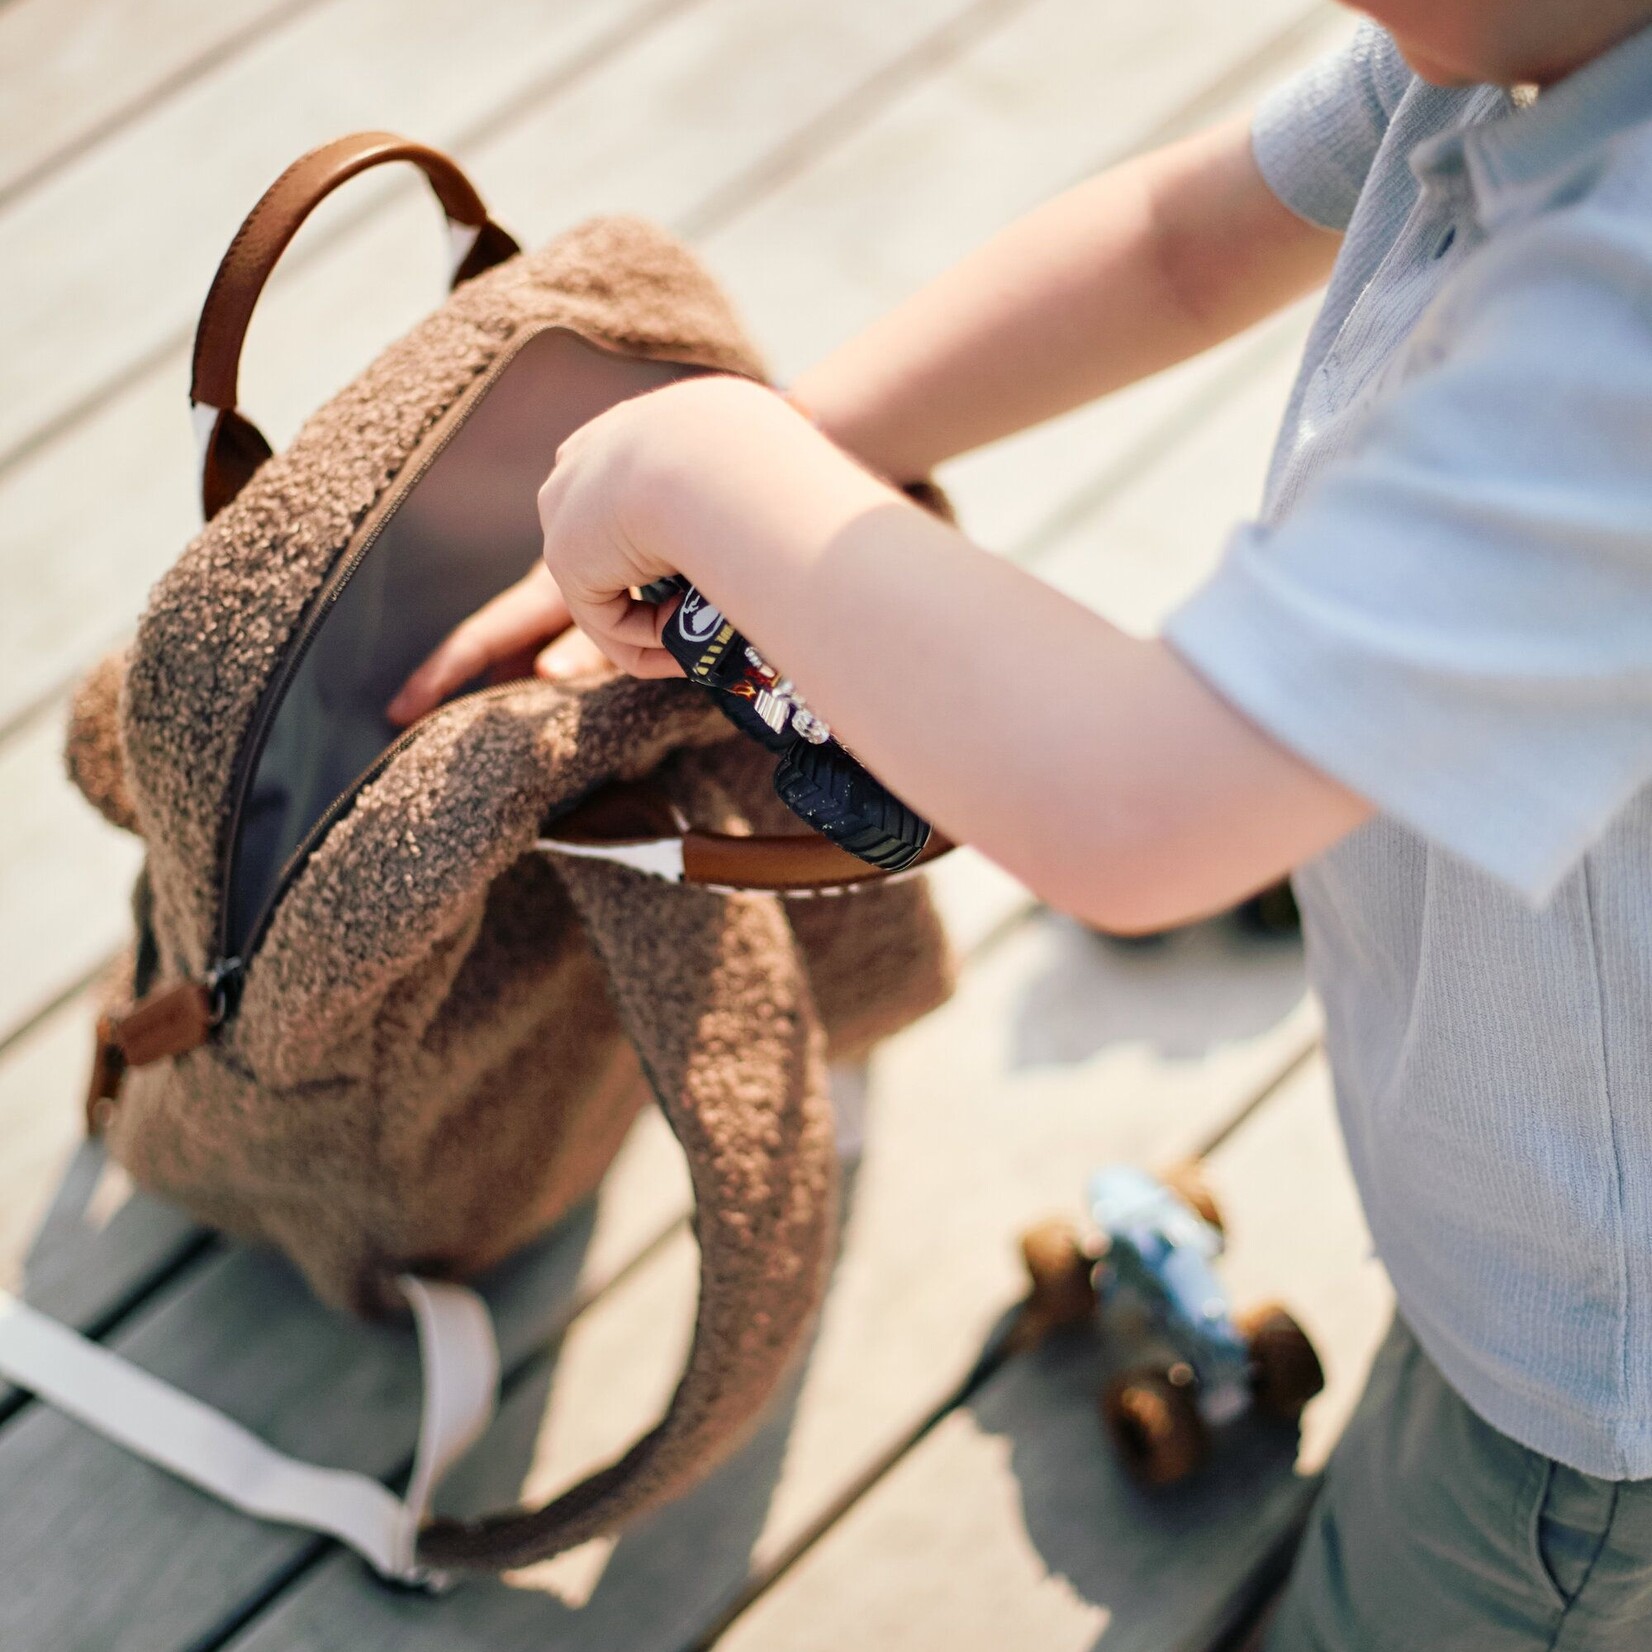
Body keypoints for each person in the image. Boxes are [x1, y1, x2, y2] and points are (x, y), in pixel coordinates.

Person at [391, 3, 1652, 1643]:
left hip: (1587, 1387)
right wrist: (799, 463)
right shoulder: (1525, 41)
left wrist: (708, 466)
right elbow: (1180, 244)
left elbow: (1143, 807)